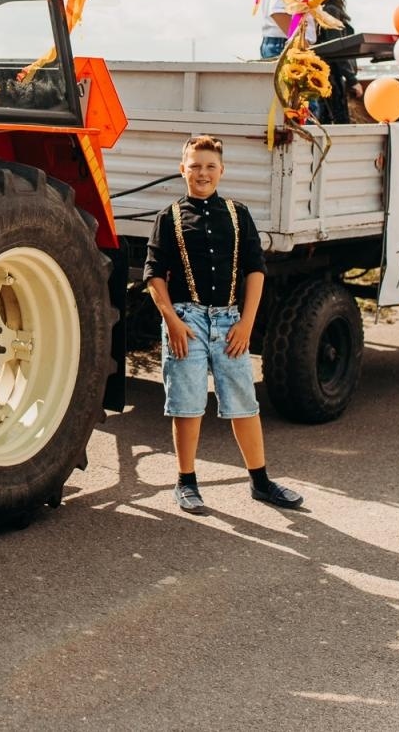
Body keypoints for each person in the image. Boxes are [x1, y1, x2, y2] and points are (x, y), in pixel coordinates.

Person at [143, 135, 305, 514]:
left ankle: (261, 482)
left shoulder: (237, 213)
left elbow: (255, 270)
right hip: (188, 321)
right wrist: (173, 322)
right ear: (182, 168)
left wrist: (247, 322)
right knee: (187, 404)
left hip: (231, 321)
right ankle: (186, 482)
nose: (202, 173)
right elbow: (154, 276)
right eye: (195, 165)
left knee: (244, 403)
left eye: (210, 166)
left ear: (222, 171)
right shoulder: (168, 217)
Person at [313, 0, 364, 124]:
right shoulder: (331, 11)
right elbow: (336, 49)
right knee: (339, 121)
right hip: (332, 77)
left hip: (324, 76)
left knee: (326, 120)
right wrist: (352, 79)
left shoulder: (322, 11)